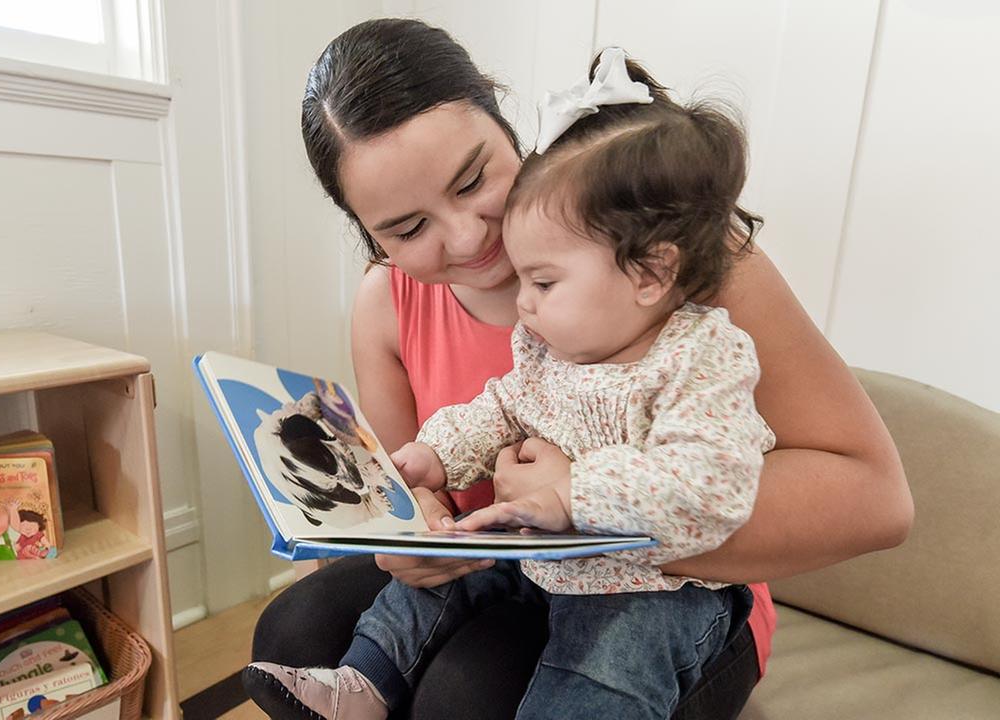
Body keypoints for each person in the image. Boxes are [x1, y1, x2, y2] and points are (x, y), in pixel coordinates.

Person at [251, 18, 912, 720]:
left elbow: (875, 498)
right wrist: (414, 534)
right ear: (368, 233)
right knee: (296, 633)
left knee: (465, 696)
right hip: (510, 566)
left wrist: (577, 498)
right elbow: (419, 484)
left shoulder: (657, 244)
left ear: (509, 125)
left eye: (474, 178)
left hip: (666, 588)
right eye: (407, 229)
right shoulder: (390, 299)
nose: (470, 236)